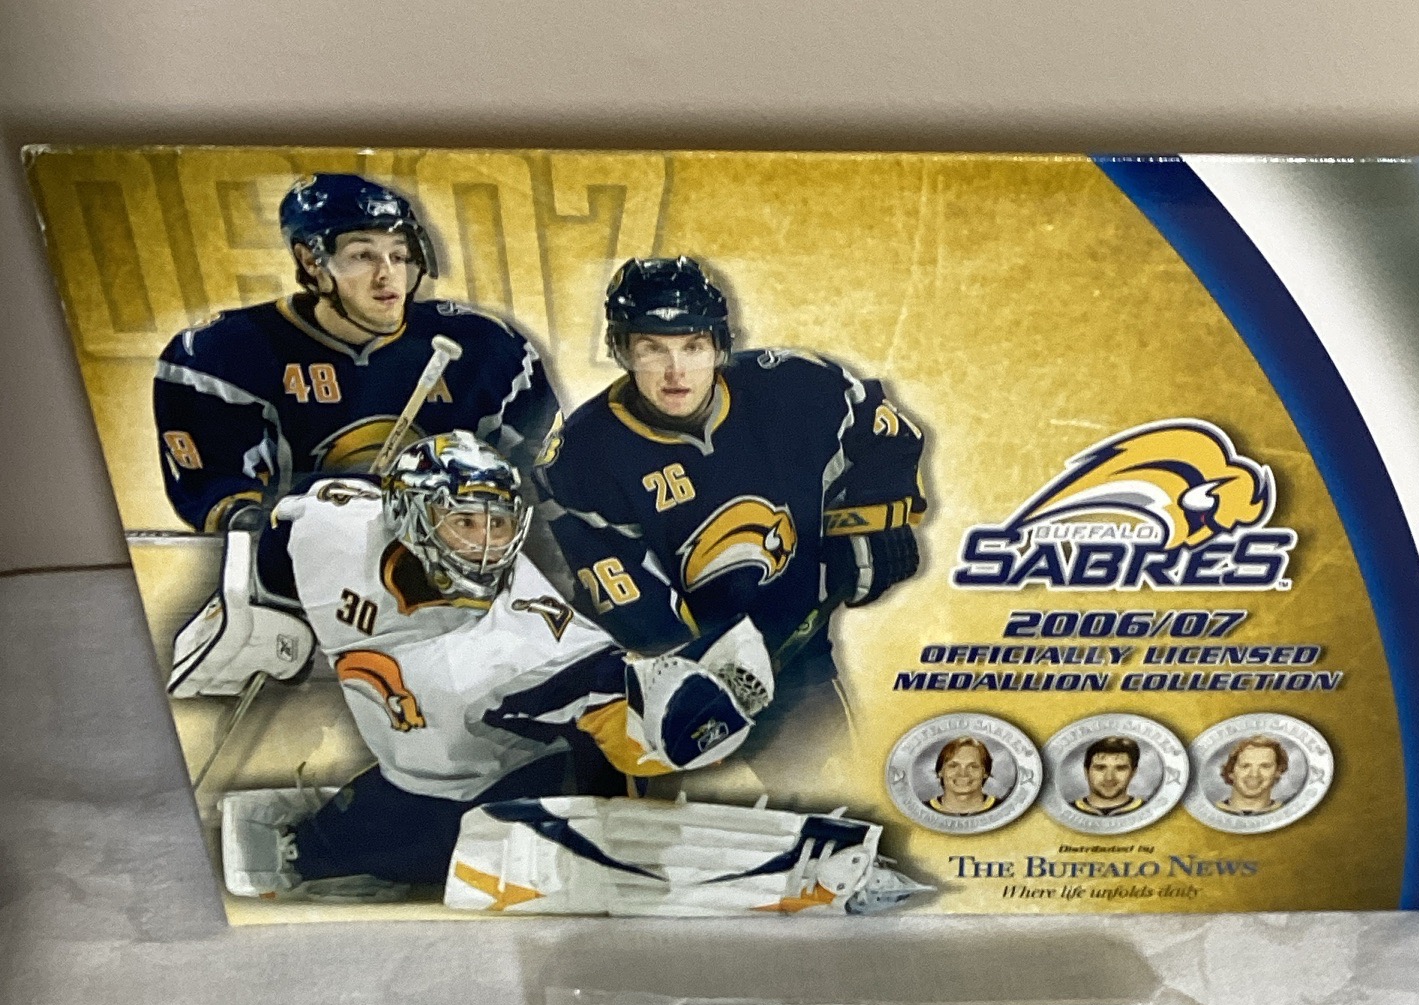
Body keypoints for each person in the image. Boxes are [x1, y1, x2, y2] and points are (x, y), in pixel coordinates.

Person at [535, 256, 928, 783]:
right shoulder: (581, 456)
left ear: (720, 345)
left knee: (833, 810)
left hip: (800, 666)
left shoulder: (793, 387)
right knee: (675, 832)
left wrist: (871, 527)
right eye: (652, 348)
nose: (676, 371)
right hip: (664, 689)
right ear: (621, 349)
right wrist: (704, 679)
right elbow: (627, 602)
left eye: (693, 346)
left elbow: (885, 434)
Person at [199, 431, 629, 898]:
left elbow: (606, 689)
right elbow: (293, 517)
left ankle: (598, 831)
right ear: (408, 513)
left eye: (499, 523)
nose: (484, 545)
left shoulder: (522, 627)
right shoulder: (340, 527)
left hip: (488, 775)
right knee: (331, 848)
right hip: (413, 767)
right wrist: (273, 607)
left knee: (436, 836)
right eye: (464, 521)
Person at [152, 174, 558, 536]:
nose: (386, 275)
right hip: (301, 571)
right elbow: (225, 497)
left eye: (398, 255)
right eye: (363, 256)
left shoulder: (485, 345)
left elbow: (546, 470)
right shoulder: (227, 352)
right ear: (311, 261)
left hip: (462, 559)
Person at [1215, 734, 1291, 815]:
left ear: (1278, 771)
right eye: (1245, 766)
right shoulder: (1213, 811)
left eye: (1265, 766)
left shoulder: (1288, 814)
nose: (1254, 774)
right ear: (1231, 772)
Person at [1073, 735, 1145, 816]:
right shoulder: (1067, 810)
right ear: (1086, 771)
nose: (1109, 777)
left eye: (1120, 768)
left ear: (1133, 773)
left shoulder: (1148, 811)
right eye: (1100, 768)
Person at [927, 736, 999, 816]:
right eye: (953, 766)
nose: (963, 773)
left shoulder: (1003, 809)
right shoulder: (923, 810)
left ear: (985, 772)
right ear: (940, 772)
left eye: (973, 766)